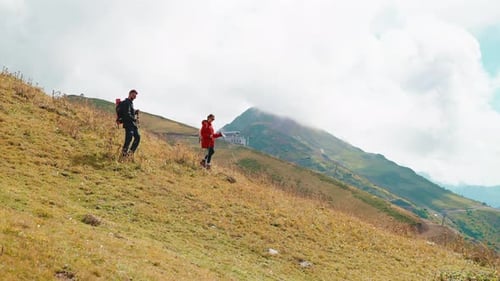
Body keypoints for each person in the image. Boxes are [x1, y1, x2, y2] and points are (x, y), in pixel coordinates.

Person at [120, 89, 140, 157]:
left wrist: (134, 112)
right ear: (130, 94)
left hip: (132, 124)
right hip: (128, 124)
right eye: (133, 95)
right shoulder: (126, 102)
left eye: (135, 96)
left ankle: (129, 154)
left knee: (137, 137)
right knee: (129, 138)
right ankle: (123, 155)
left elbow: (129, 113)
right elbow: (127, 114)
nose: (134, 97)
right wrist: (135, 119)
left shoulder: (130, 103)